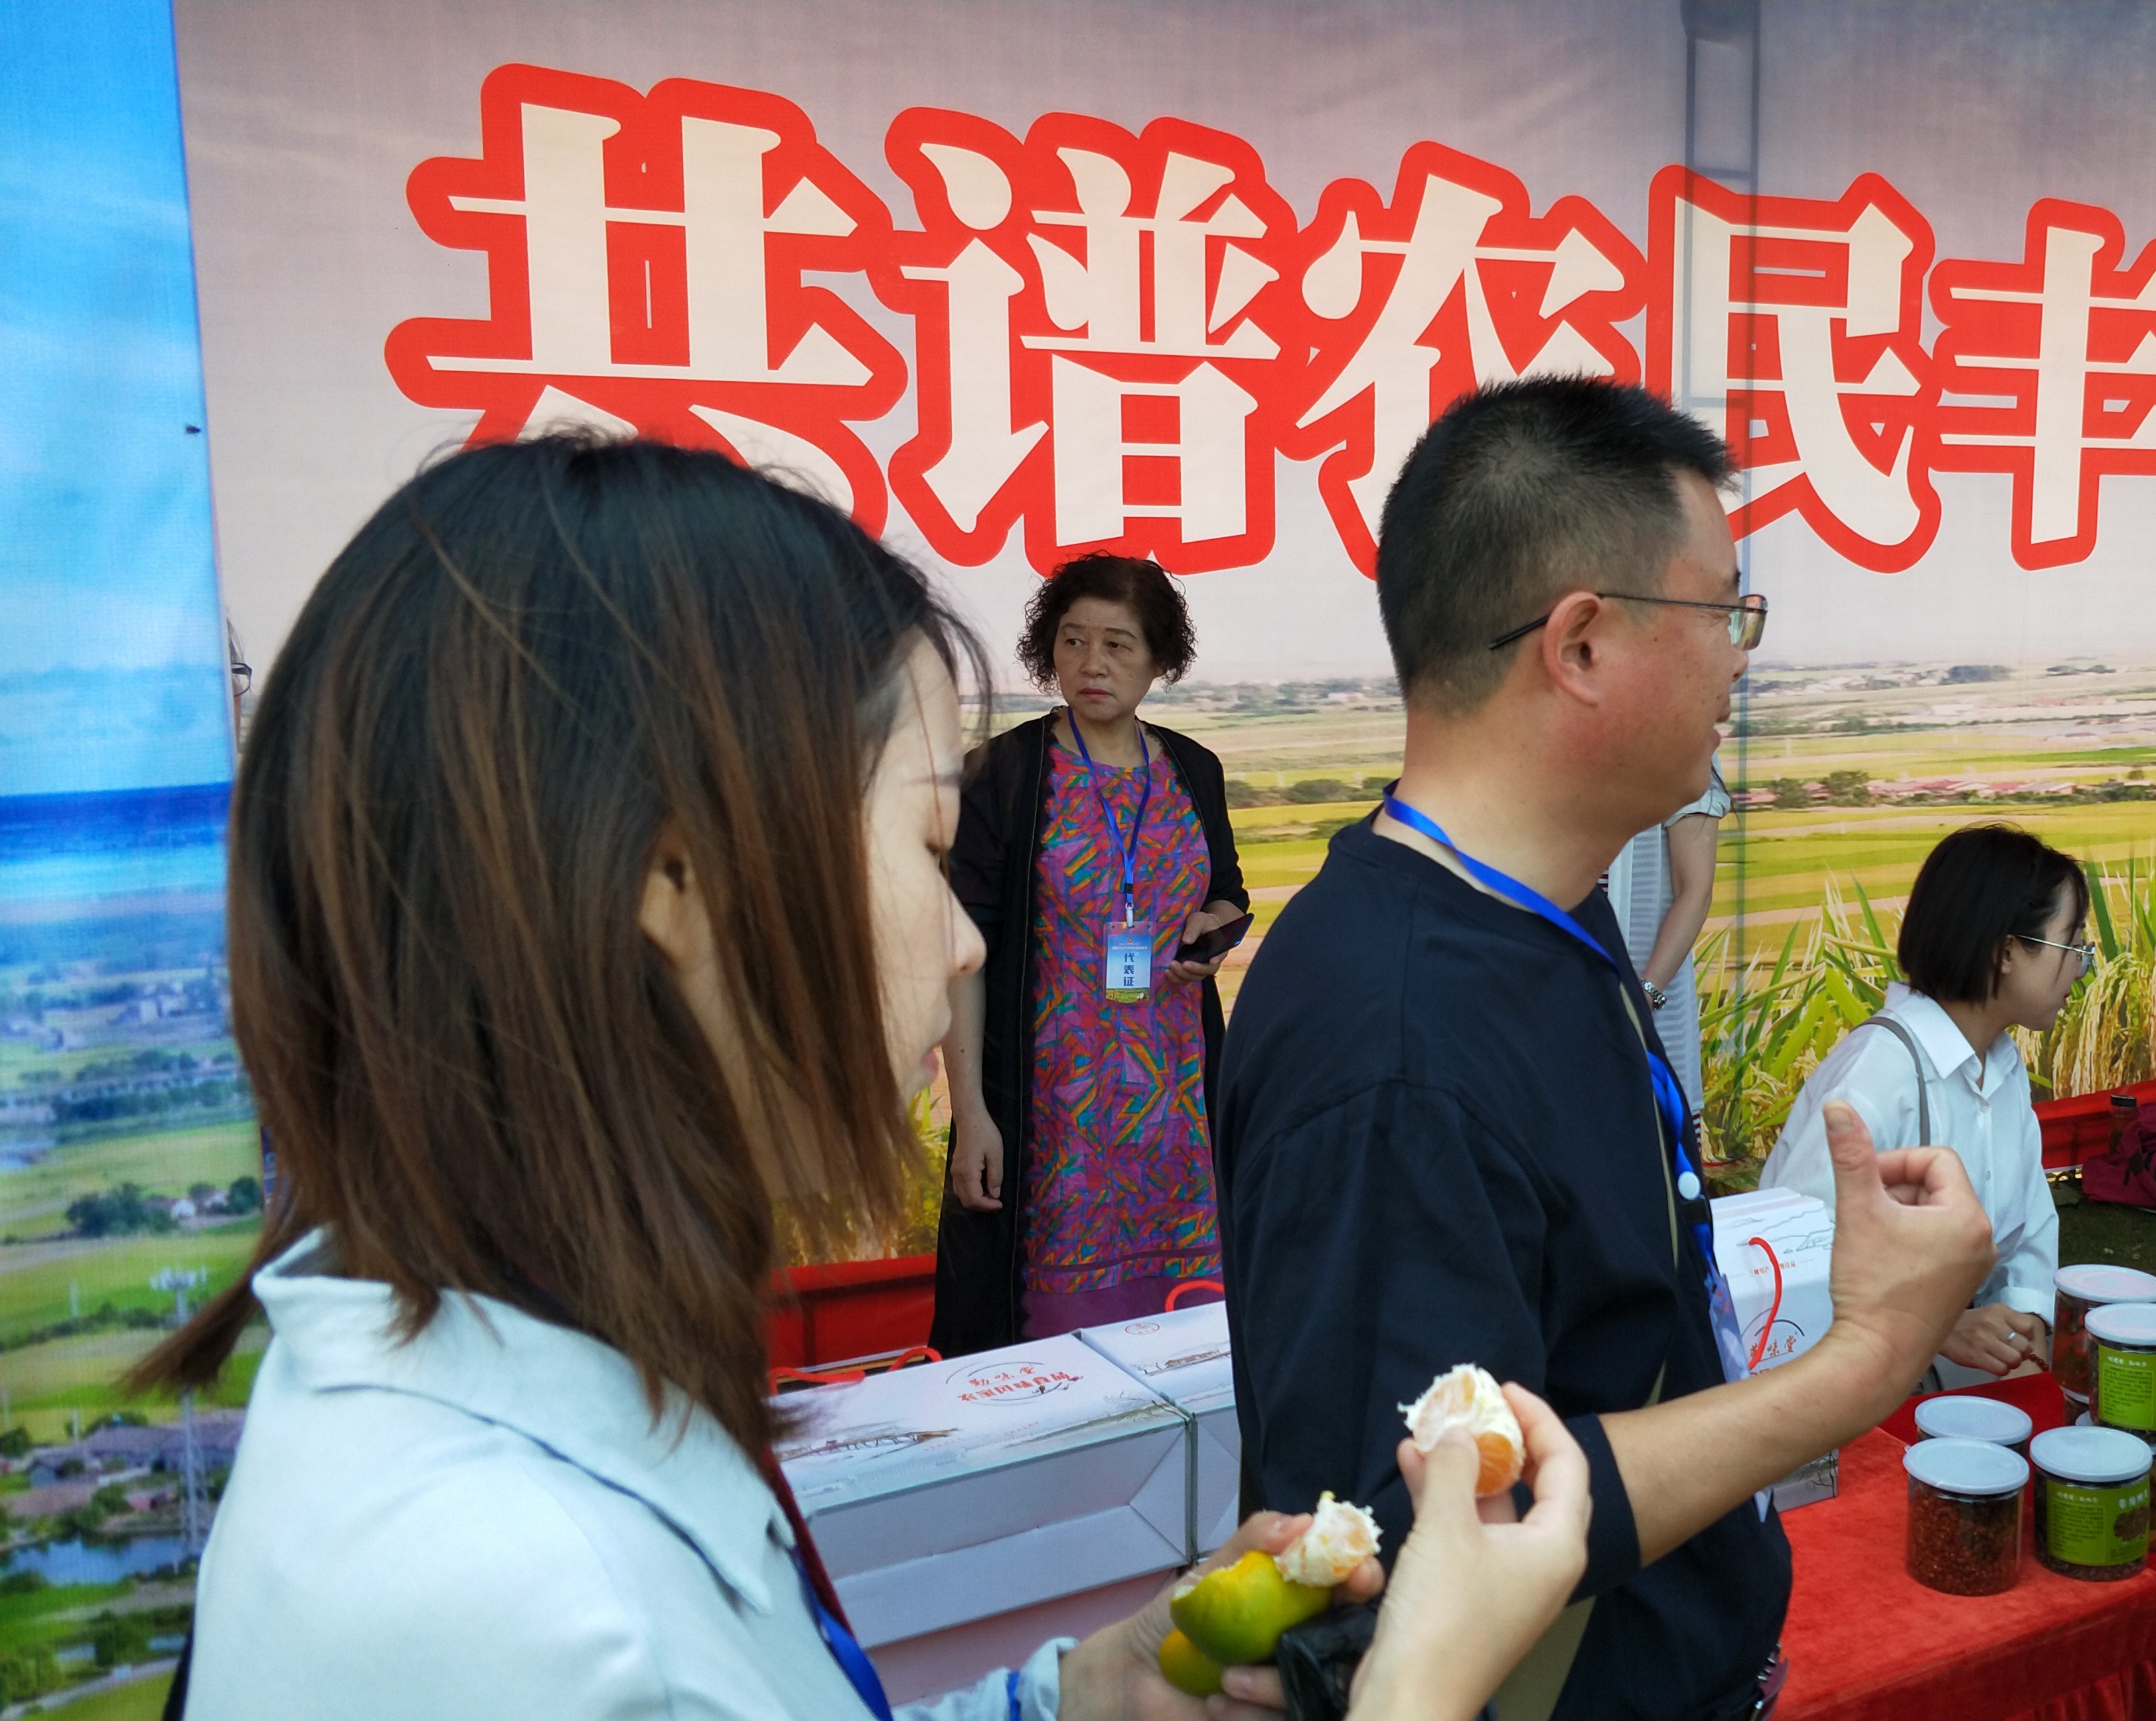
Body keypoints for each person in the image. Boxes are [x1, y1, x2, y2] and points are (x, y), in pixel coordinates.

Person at [140, 436, 1592, 1721]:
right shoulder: (528, 1611)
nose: (965, 942)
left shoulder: (519, 1394)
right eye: (924, 845)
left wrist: (1077, 1694)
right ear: (673, 880)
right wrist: (1412, 1692)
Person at [1217, 378, 1994, 1721]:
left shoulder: (1551, 910)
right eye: (1724, 611)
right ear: (1579, 643)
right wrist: (1866, 1360)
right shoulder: (1391, 1045)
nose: (1742, 660)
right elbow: (1404, 1554)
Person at [931, 554, 1247, 1353]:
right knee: (1053, 1356)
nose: (1092, 663)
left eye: (1117, 644)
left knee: (1190, 1347)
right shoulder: (1003, 774)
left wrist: (1211, 934)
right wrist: (972, 1116)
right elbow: (963, 950)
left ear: (1159, 658)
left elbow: (1227, 894)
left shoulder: (1194, 770)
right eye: (1073, 641)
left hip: (1177, 1114)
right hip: (1054, 1121)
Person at [1759, 824, 2088, 1385]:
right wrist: (1937, 1328)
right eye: (2073, 946)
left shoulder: (2003, 1066)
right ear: (2007, 951)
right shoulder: (1877, 1072)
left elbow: (2031, 1222)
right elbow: (1789, 1259)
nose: (2080, 969)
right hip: (1850, 1389)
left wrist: (2029, 1311)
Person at [1607, 758, 1731, 1089]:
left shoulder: (1679, 744)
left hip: (1641, 999)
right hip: (1555, 991)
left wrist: (1644, 998)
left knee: (1643, 1108)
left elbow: (1695, 892)